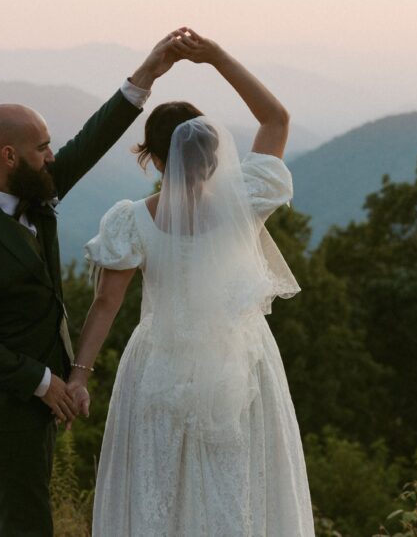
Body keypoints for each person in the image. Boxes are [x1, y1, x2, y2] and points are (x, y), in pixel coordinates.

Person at [0, 30, 185, 536]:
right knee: (24, 527)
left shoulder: (35, 190)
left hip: (44, 399)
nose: (52, 156)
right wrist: (46, 384)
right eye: (42, 147)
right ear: (8, 155)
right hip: (3, 409)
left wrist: (147, 74)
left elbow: (89, 144)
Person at [69, 28, 315, 536]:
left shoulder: (129, 221)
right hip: (239, 366)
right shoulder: (245, 202)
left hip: (159, 367)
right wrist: (215, 56)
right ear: (213, 155)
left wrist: (79, 376)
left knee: (160, 493)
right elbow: (276, 119)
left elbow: (105, 305)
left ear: (153, 158)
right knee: (237, 488)